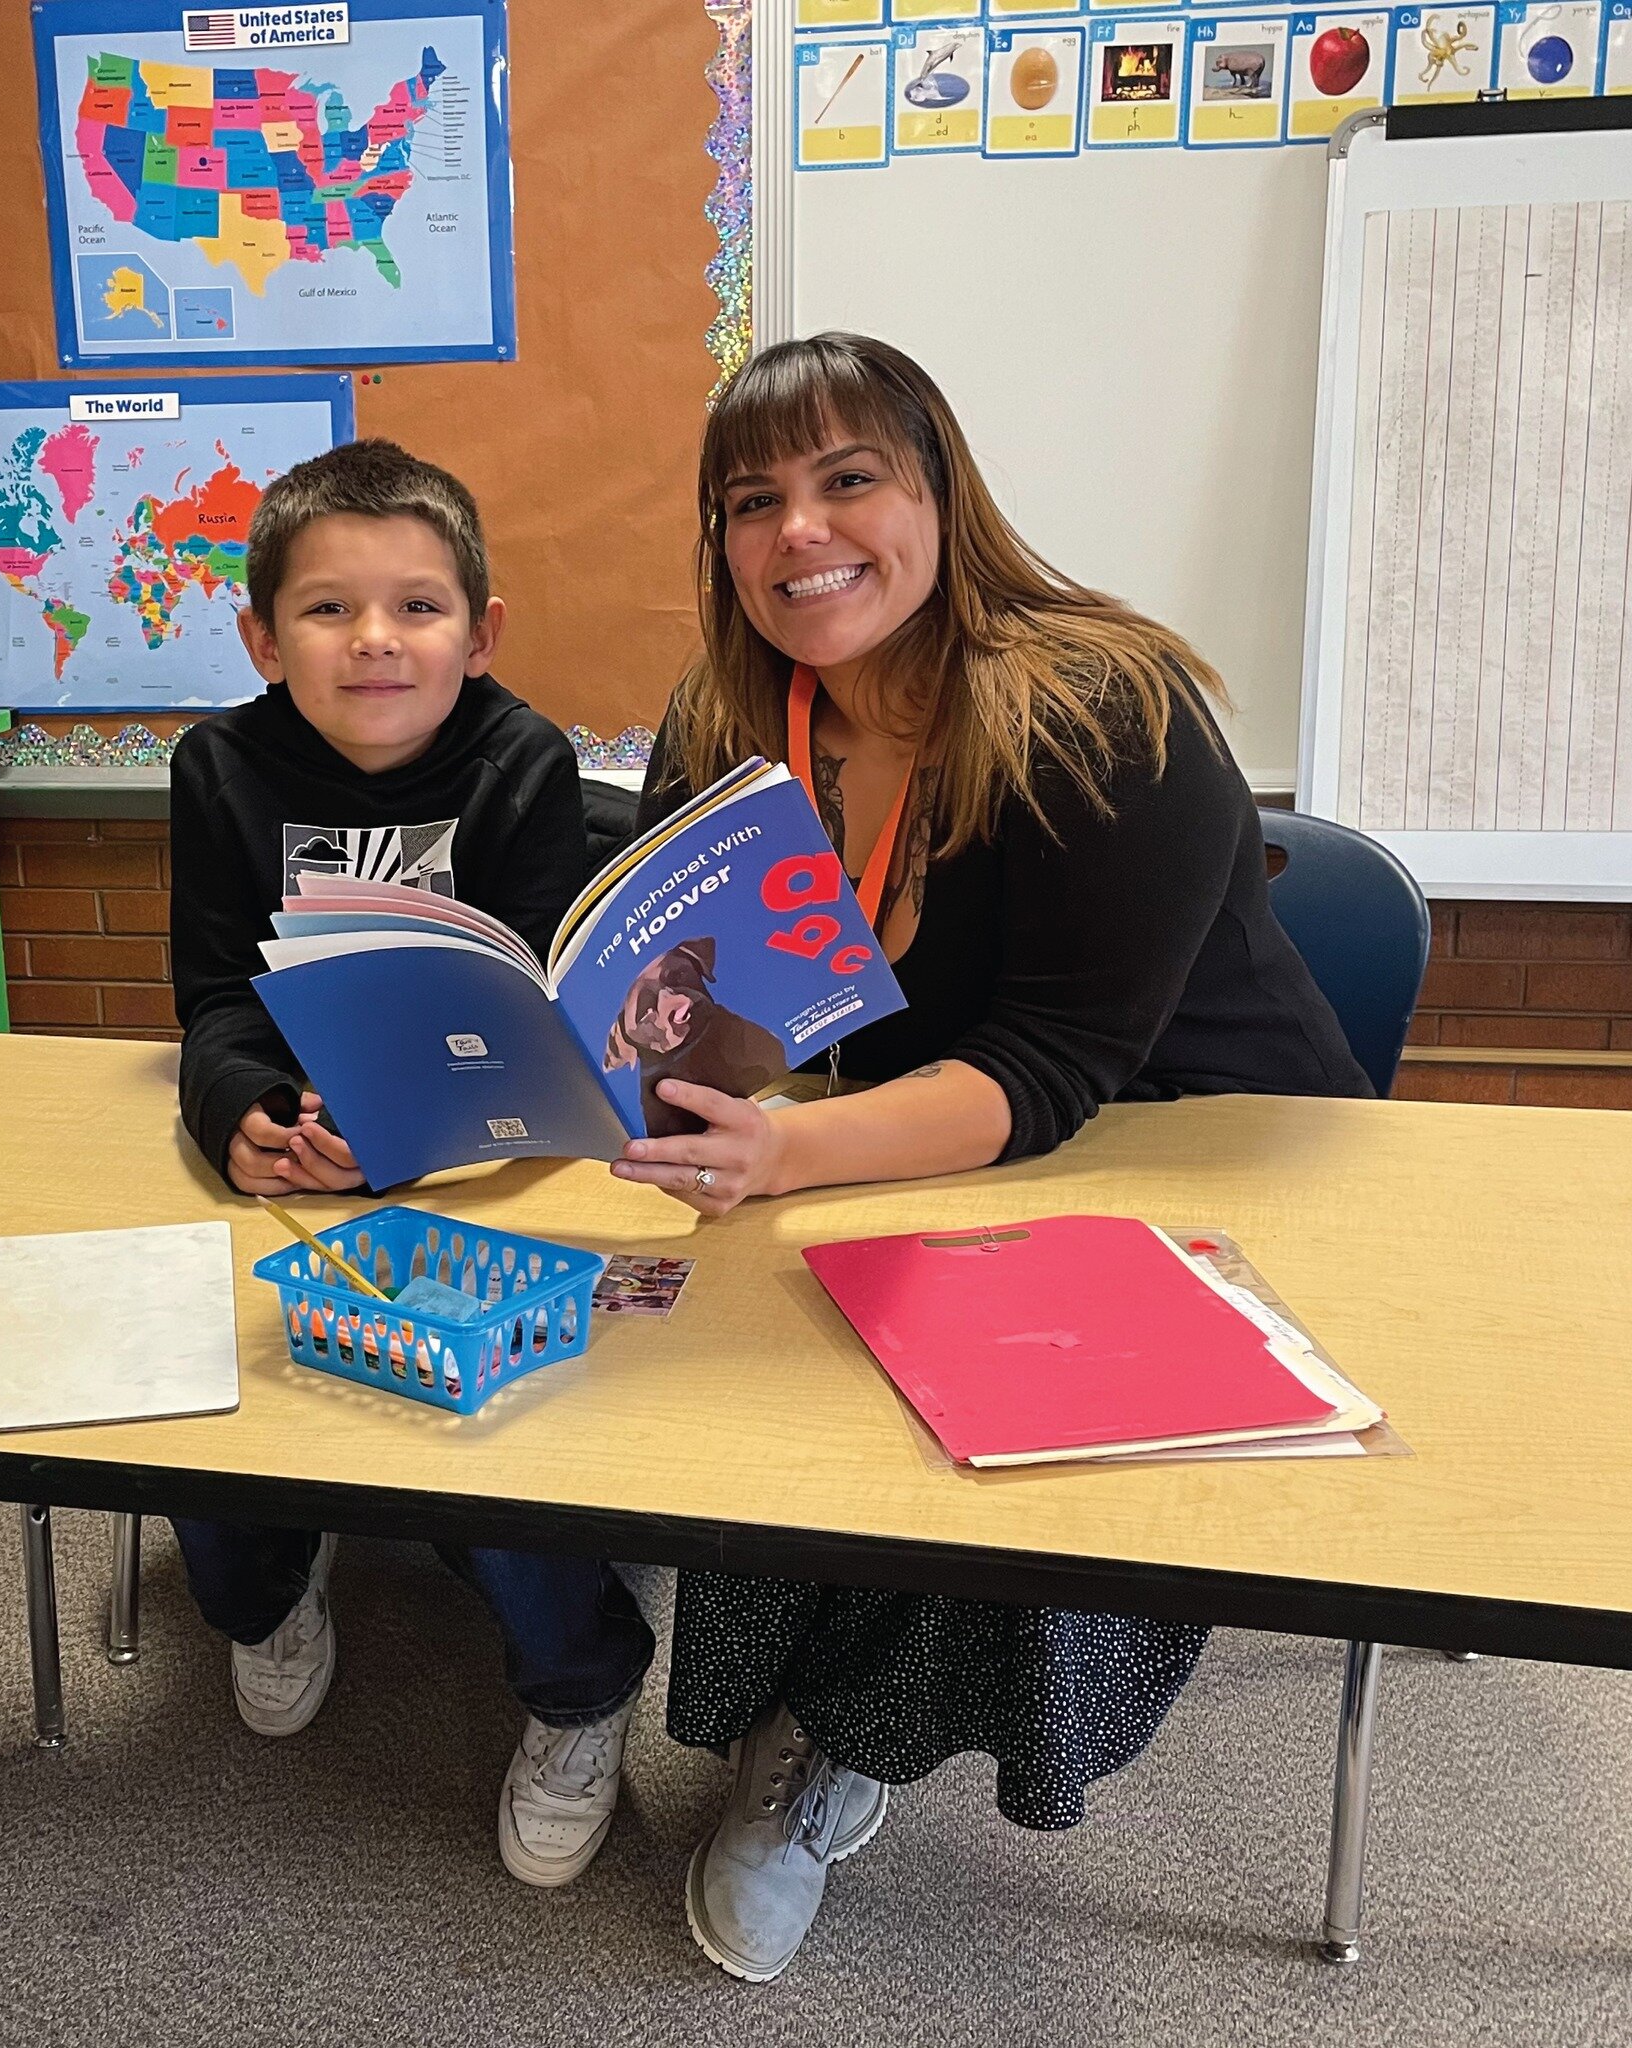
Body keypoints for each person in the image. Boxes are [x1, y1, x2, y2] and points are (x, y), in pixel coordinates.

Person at [618, 333, 1371, 1981]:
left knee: (1029, 1465)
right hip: (935, 1138)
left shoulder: (1105, 704)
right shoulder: (741, 717)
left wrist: (793, 1144)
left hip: (1196, 1150)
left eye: (847, 478)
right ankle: (772, 1705)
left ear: (941, 495)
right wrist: (630, 1040)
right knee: (760, 1379)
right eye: (754, 501)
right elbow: (728, 998)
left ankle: (841, 1748)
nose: (799, 532)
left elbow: (1054, 1065)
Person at [168, 438, 654, 1888]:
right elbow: (208, 996)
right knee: (215, 1389)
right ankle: (266, 1594)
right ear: (263, 636)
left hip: (473, 1166)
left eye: (417, 607)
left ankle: (579, 1688)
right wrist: (240, 1104)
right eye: (326, 609)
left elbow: (537, 1028)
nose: (374, 640)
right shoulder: (218, 767)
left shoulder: (521, 760)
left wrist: (396, 1133)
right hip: (292, 1160)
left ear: (481, 630)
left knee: (488, 1411)